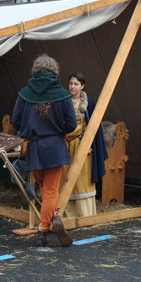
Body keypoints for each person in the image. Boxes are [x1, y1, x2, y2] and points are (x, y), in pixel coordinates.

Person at [12, 54, 76, 247]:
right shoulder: (63, 94)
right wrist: (57, 130)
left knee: (45, 189)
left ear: (35, 71)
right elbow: (72, 124)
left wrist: (30, 127)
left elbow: (16, 121)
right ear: (54, 71)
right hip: (55, 146)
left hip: (35, 147)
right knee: (49, 190)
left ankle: (51, 219)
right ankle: (45, 227)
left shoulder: (24, 93)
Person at [61, 72, 108, 218]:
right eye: (71, 83)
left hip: (81, 146)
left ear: (82, 86)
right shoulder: (63, 102)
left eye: (76, 84)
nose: (72, 87)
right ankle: (66, 212)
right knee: (65, 177)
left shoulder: (88, 103)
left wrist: (87, 144)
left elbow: (93, 127)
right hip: (65, 146)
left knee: (82, 179)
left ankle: (84, 213)